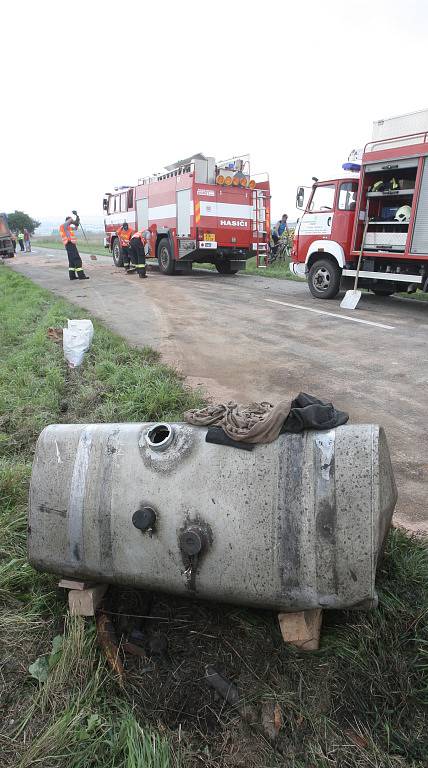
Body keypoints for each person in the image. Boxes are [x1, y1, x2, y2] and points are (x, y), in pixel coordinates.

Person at [59, 213, 89, 280]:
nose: (71, 223)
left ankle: (72, 276)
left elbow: (75, 228)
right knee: (77, 259)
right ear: (67, 221)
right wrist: (73, 220)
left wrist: (77, 218)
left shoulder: (68, 228)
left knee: (71, 260)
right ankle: (81, 276)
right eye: (70, 222)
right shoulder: (64, 226)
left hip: (69, 245)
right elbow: (70, 220)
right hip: (70, 244)